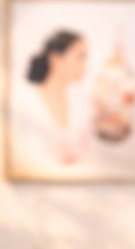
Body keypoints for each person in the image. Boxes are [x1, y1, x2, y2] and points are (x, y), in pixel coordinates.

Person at [13, 28, 96, 174]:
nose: (85, 66)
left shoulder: (82, 102)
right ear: (56, 58)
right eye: (80, 57)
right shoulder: (24, 102)